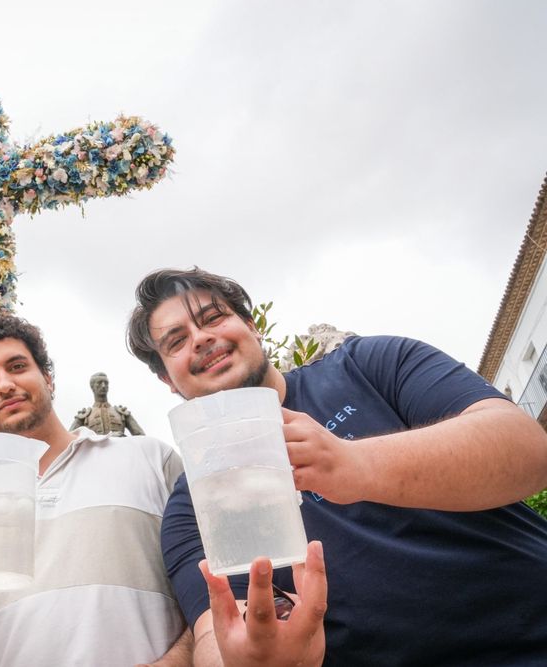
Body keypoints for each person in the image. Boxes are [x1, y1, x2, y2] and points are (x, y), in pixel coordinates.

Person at [126, 267, 547, 666]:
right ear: (167, 379)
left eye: (214, 317)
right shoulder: (188, 509)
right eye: (176, 342)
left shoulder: (368, 364)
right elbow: (213, 636)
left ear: (252, 325)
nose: (201, 339)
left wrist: (354, 463)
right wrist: (255, 657)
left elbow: (529, 450)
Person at [0, 314, 193, 666]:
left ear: (47, 378)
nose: (5, 385)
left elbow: (212, 585)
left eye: (17, 367)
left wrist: (178, 660)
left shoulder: (150, 458)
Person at [70, 371, 146, 436]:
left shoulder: (120, 412)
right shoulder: (85, 415)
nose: (103, 386)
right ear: (92, 387)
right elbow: (68, 439)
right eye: (99, 383)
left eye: (106, 383)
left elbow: (141, 436)